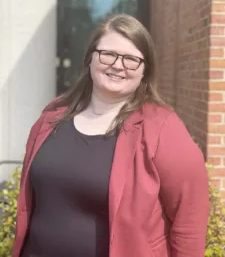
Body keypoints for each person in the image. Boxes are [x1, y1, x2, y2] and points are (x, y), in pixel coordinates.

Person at [13, 14, 210, 257]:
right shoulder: (53, 115)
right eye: (108, 54)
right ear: (90, 58)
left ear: (145, 71)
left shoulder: (162, 129)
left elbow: (189, 218)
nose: (117, 65)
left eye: (131, 60)